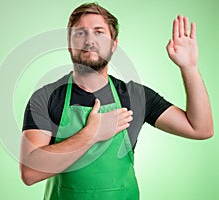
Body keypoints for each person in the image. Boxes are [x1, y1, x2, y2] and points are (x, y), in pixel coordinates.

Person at [19, 2, 213, 200]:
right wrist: (91, 134)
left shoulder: (136, 96)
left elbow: (200, 129)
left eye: (99, 32)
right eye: (80, 33)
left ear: (113, 44)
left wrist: (189, 68)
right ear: (69, 44)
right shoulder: (46, 97)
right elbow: (30, 172)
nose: (89, 40)